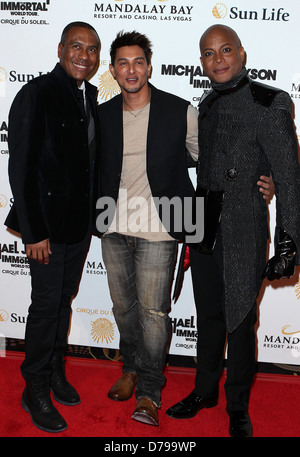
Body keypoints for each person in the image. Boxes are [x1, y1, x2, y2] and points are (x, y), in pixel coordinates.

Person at [96, 30, 272, 427]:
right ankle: (131, 367)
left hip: (163, 226)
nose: (131, 69)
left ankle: (149, 391)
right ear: (113, 69)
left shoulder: (181, 110)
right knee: (124, 309)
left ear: (149, 66)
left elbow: (206, 158)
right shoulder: (102, 114)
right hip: (113, 226)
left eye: (138, 61)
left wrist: (265, 174)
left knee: (155, 313)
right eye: (122, 63)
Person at [166, 25, 300, 437]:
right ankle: (204, 390)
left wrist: (288, 241)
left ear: (241, 53)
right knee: (207, 315)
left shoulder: (270, 101)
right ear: (202, 62)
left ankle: (237, 407)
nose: (218, 59)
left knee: (240, 319)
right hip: (203, 220)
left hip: (242, 223)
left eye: (225, 50)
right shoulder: (205, 103)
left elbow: (290, 178)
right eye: (208, 53)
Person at [5, 22, 100, 433]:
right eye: (76, 46)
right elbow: (20, 168)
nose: (84, 55)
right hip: (45, 229)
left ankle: (55, 370)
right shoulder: (37, 93)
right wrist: (33, 232)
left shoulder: (90, 96)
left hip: (78, 227)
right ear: (61, 49)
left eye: (92, 49)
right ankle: (34, 387)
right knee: (45, 308)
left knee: (62, 301)